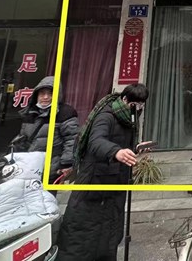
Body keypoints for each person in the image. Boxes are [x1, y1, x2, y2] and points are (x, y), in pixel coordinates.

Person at [57, 83, 149, 261]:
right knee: (82, 238)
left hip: (114, 187)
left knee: (108, 236)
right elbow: (96, 142)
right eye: (135, 104)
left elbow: (124, 146)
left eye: (141, 105)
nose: (137, 109)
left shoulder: (129, 120)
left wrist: (136, 149)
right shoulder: (106, 116)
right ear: (124, 99)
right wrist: (116, 151)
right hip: (94, 185)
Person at [15, 76, 79, 184]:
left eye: (50, 94)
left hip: (52, 168)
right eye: (42, 93)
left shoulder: (65, 113)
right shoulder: (30, 112)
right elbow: (22, 138)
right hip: (28, 167)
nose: (45, 97)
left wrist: (66, 164)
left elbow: (72, 140)